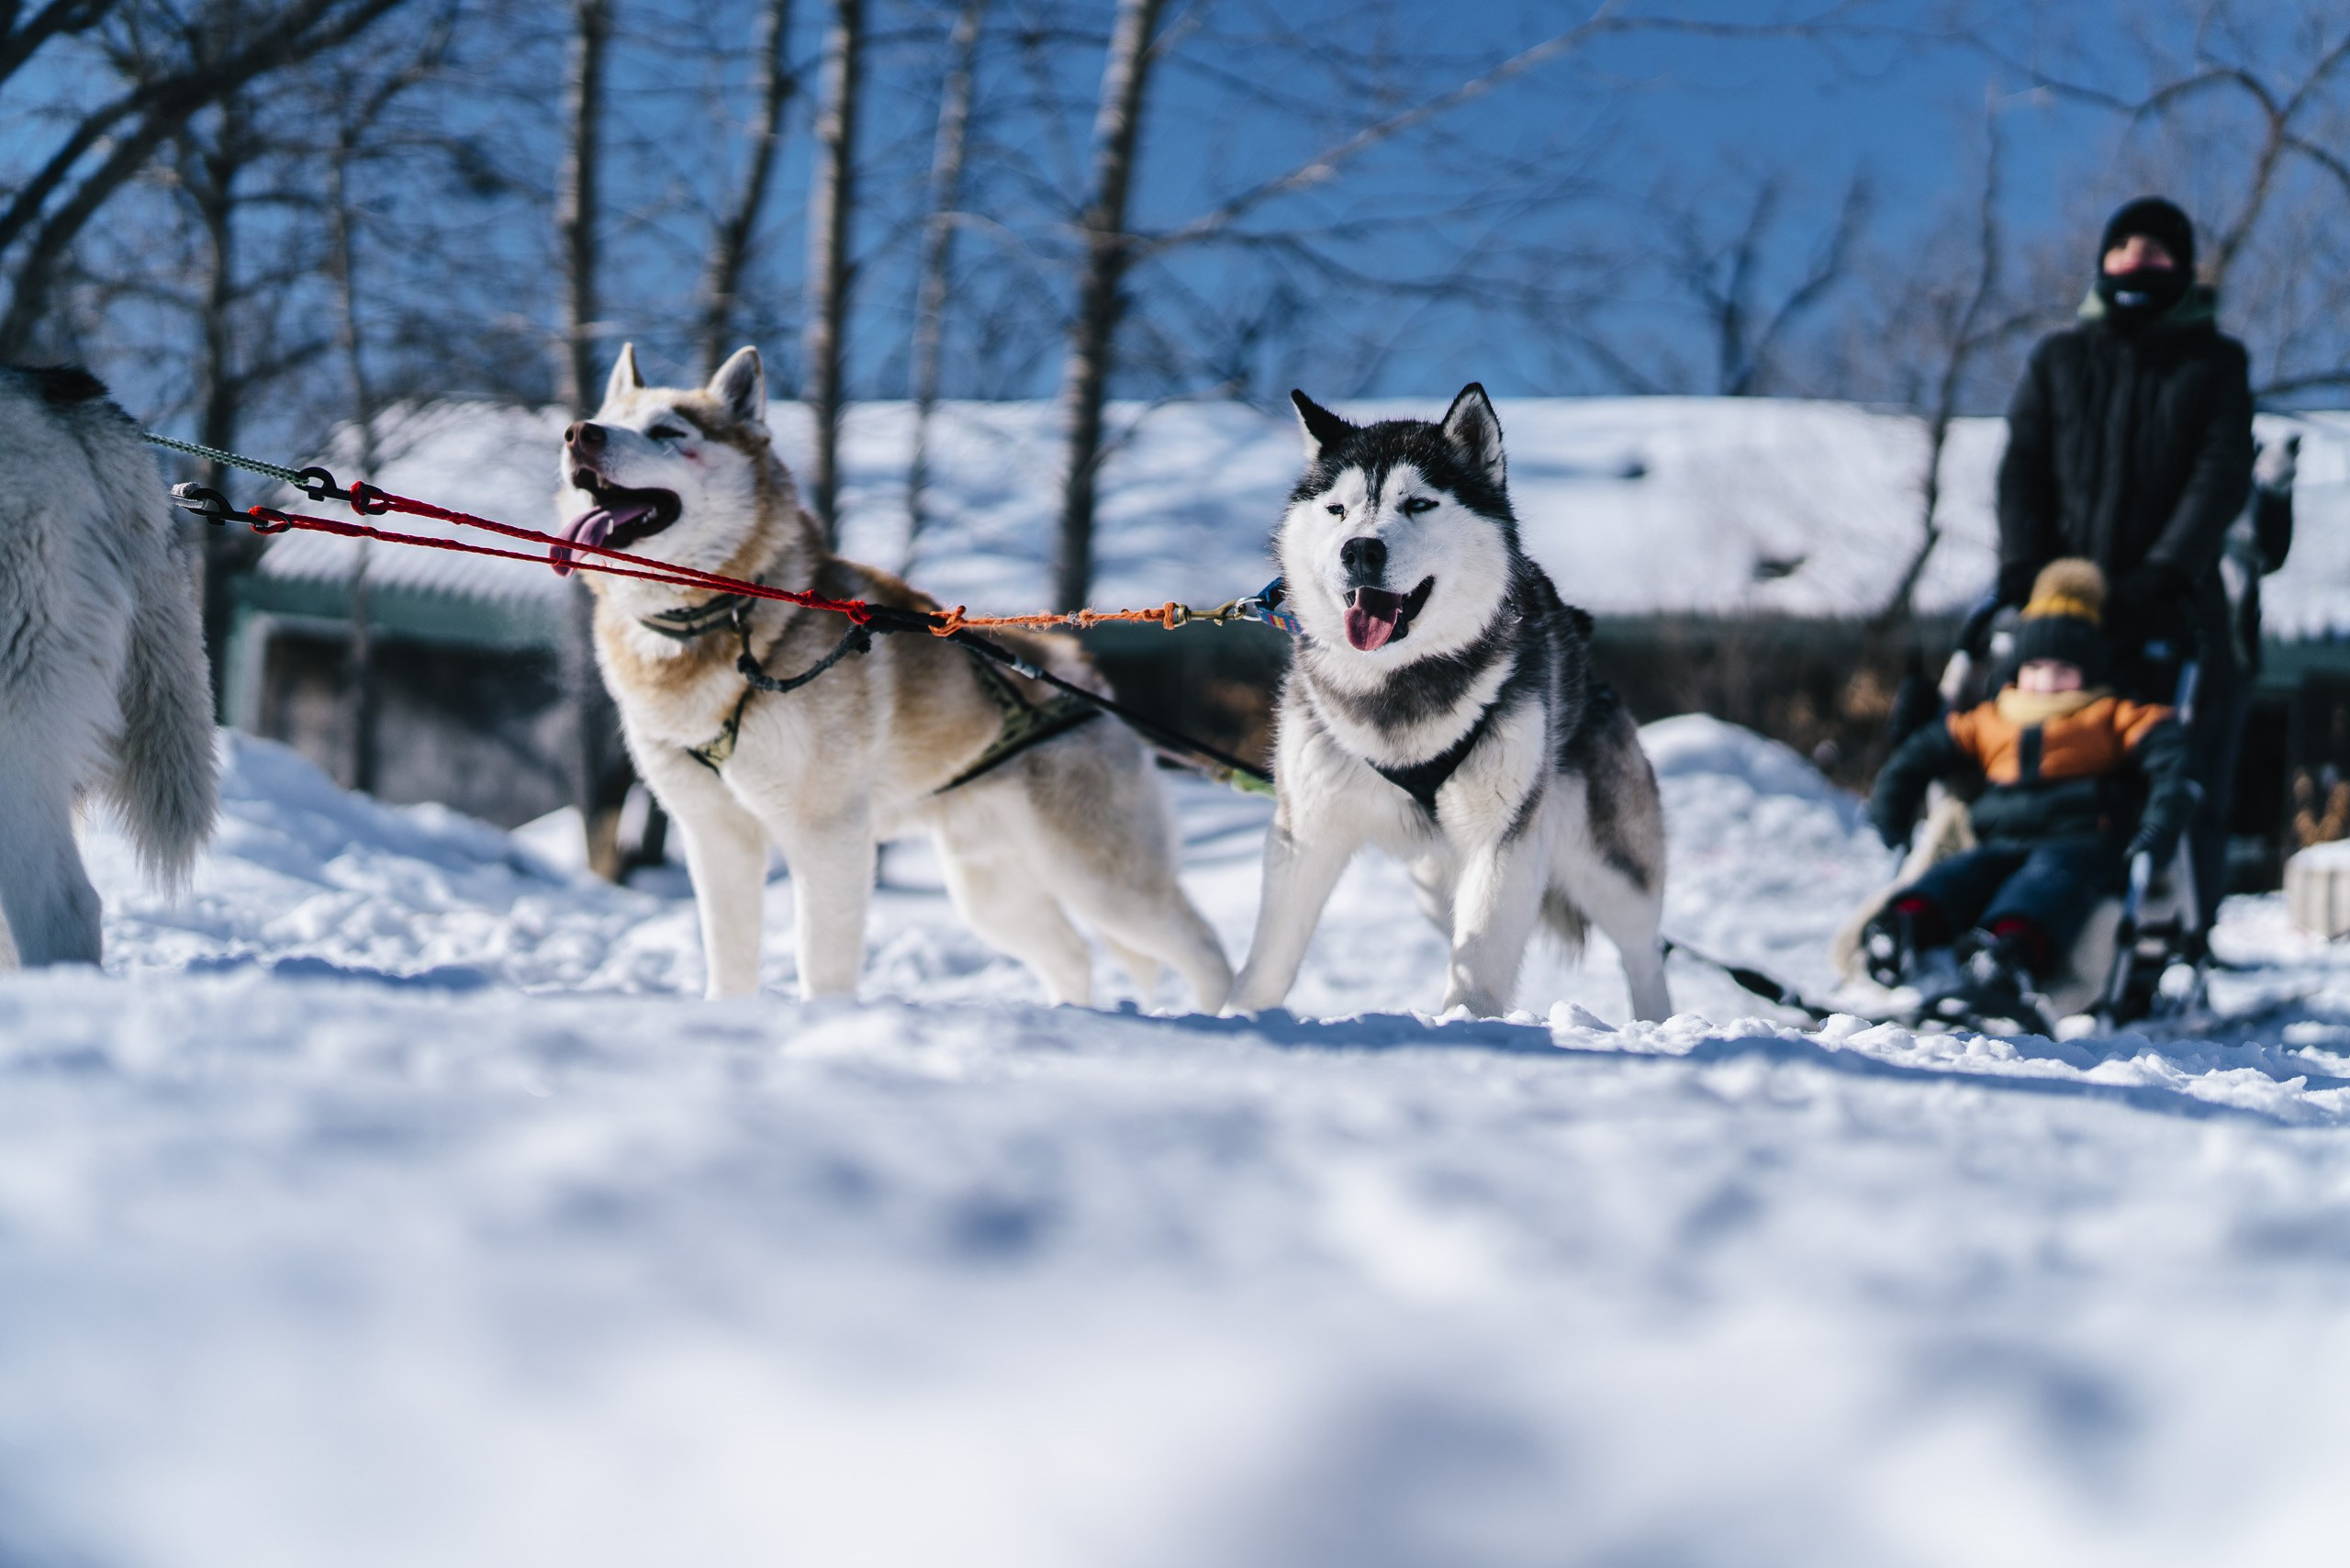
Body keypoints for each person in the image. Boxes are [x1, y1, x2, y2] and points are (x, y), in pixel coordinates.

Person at [1994, 196, 2255, 929]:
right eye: (2125, 248)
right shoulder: (2059, 358)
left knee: (2179, 762)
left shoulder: (2215, 363)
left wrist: (2169, 571)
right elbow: (2023, 469)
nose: (2139, 261)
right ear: (2102, 262)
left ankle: (2173, 929)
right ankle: (2002, 902)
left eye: (2157, 251)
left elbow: (2219, 474)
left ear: (2183, 267)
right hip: (2060, 611)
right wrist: (2026, 570)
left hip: (2174, 603)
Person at [1865, 561, 2196, 1006]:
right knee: (1956, 876)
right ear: (2016, 669)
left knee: (2045, 886)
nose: (2046, 681)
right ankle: (1902, 930)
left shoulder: (2110, 715)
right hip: (1997, 839)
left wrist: (2160, 821)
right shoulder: (1992, 718)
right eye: (2035, 667)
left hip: (2077, 840)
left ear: (2090, 672)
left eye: (2063, 670)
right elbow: (1918, 754)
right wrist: (1893, 804)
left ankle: (2005, 953)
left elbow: (2169, 758)